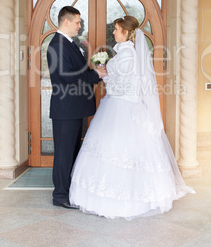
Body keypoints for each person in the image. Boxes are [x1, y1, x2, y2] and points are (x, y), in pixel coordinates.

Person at [69, 15, 194, 219]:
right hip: (119, 105)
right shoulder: (125, 54)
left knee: (120, 150)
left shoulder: (127, 56)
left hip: (121, 107)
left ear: (127, 33)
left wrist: (104, 75)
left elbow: (126, 86)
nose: (114, 32)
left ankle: (121, 198)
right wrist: (106, 73)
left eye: (117, 30)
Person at [47, 6, 107, 209]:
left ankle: (69, 191)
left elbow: (76, 70)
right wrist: (95, 75)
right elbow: (65, 77)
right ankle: (60, 196)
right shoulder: (57, 45)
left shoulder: (70, 43)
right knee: (64, 154)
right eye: (77, 22)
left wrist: (94, 71)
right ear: (66, 22)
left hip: (74, 108)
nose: (80, 26)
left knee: (72, 151)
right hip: (66, 109)